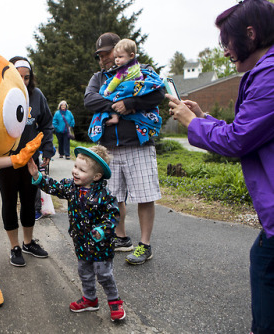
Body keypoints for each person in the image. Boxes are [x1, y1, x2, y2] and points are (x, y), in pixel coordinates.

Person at [166, 1, 274, 332]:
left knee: (264, 265)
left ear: (251, 35)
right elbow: (250, 130)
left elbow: (239, 140)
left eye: (226, 42)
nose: (225, 51)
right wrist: (203, 118)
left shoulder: (269, 76)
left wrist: (190, 124)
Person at [85, 32, 165, 265]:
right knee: (113, 196)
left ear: (122, 50)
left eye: (107, 53)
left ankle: (145, 245)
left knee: (144, 196)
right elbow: (89, 100)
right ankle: (121, 238)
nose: (104, 59)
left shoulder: (141, 69)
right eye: (99, 56)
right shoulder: (98, 78)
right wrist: (116, 106)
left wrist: (131, 103)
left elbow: (158, 93)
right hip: (109, 148)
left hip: (137, 146)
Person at [27, 145, 126, 321]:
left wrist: (102, 230)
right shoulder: (71, 187)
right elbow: (54, 187)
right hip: (81, 242)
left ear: (96, 176)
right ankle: (90, 299)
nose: (75, 172)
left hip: (100, 246)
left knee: (104, 274)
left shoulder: (104, 195)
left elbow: (113, 215)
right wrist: (37, 176)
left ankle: (114, 301)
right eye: (75, 166)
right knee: (84, 272)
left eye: (81, 170)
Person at [0, 56, 55, 267]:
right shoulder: (1, 95)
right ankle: (14, 247)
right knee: (9, 201)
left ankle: (28, 242)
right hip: (6, 160)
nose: (23, 81)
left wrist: (48, 147)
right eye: (18, 76)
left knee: (30, 201)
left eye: (27, 77)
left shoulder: (36, 96)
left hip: (30, 160)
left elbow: (46, 123)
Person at [102, 38, 144, 125]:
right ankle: (132, 109)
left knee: (108, 97)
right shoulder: (137, 64)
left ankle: (114, 116)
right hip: (137, 91)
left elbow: (115, 82)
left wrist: (108, 91)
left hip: (126, 91)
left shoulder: (123, 70)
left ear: (131, 55)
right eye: (116, 57)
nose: (117, 60)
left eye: (120, 57)